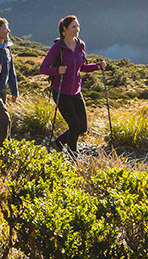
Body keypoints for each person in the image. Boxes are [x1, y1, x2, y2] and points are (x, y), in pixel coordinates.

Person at [38, 15, 105, 155]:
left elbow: (81, 67)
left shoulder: (81, 45)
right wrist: (57, 70)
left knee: (82, 127)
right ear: (65, 29)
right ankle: (73, 157)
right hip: (61, 91)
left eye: (78, 26)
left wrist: (97, 66)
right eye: (74, 27)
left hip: (76, 91)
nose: (77, 29)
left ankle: (57, 143)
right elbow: (43, 68)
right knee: (74, 126)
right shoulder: (58, 48)